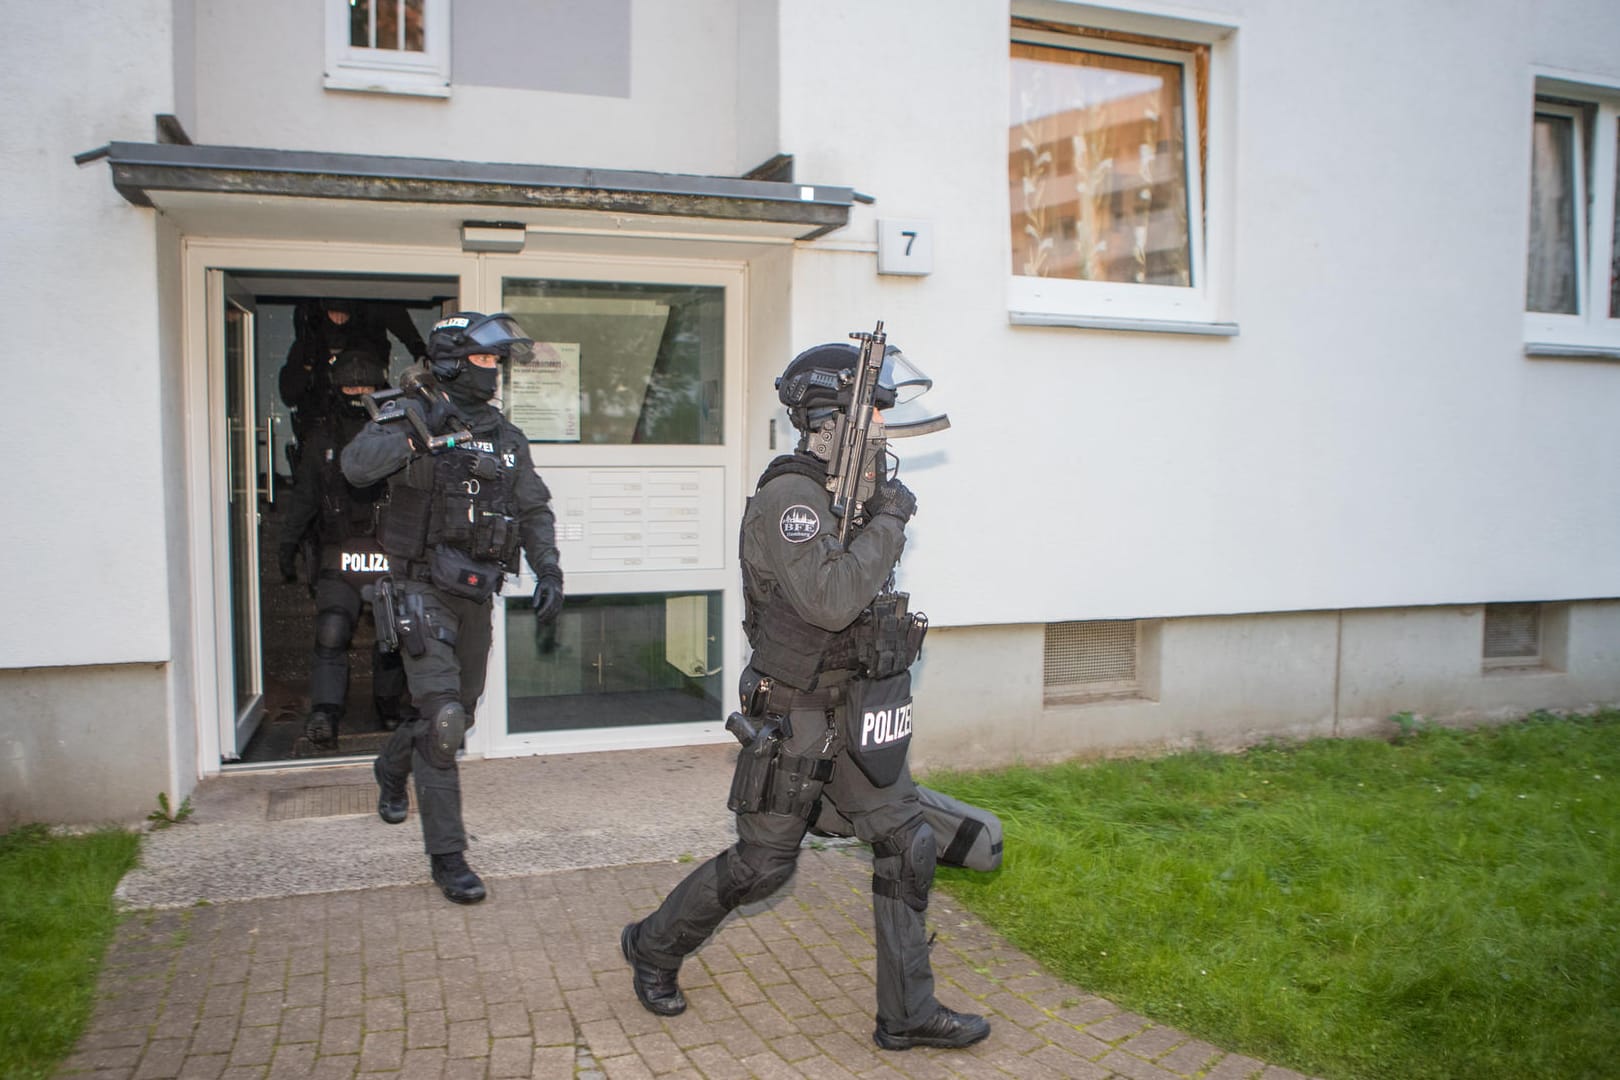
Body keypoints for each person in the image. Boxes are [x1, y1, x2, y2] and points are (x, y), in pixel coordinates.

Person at [619, 334, 992, 1052]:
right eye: (873, 415)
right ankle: (653, 947)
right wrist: (889, 519)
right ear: (831, 417)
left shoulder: (842, 496)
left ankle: (907, 1014)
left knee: (907, 843)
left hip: (853, 704)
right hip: (795, 711)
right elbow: (829, 598)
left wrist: (874, 515)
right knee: (763, 867)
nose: (884, 429)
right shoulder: (790, 497)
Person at [341, 312, 565, 905]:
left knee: (454, 717)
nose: (493, 373)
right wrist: (418, 431)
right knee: (441, 723)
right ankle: (449, 857)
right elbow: (356, 468)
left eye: (497, 363)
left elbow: (534, 509)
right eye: (485, 361)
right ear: (450, 363)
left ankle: (391, 767)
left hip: (474, 593)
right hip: (418, 588)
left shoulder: (504, 435)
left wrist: (549, 567)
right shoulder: (409, 415)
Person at [277, 348, 408, 747]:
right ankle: (325, 714)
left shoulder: (400, 434)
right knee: (331, 631)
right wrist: (287, 544)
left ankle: (389, 705)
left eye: (365, 386)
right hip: (340, 553)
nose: (357, 392)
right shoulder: (323, 438)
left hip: (389, 550)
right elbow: (304, 497)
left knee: (392, 635)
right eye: (350, 385)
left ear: (379, 388)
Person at [279, 298, 429, 460]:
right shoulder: (309, 347)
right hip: (325, 431)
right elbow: (290, 393)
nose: (339, 319)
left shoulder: (368, 343)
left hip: (369, 434)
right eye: (333, 313)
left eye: (343, 314)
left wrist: (418, 349)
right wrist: (307, 364)